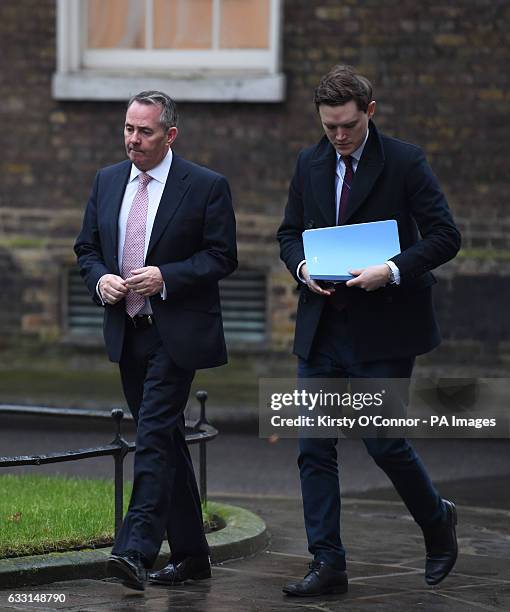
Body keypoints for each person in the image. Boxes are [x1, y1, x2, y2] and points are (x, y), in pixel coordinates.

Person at [277, 65, 461, 597]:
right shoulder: (309, 162)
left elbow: (447, 236)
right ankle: (327, 563)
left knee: (382, 443)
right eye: (329, 126)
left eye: (348, 127)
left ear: (369, 112)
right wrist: (302, 268)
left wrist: (394, 268)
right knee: (313, 446)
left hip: (384, 327)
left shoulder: (404, 161)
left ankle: (436, 519)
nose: (338, 137)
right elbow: (289, 233)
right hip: (322, 325)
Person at [75, 91, 237, 591]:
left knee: (151, 437)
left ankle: (134, 549)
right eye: (128, 128)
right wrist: (100, 278)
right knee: (166, 440)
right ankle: (192, 556)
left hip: (177, 335)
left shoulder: (205, 186)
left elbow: (221, 256)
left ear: (170, 135)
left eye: (144, 132)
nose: (132, 140)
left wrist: (166, 276)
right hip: (128, 332)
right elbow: (86, 248)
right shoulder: (106, 181)